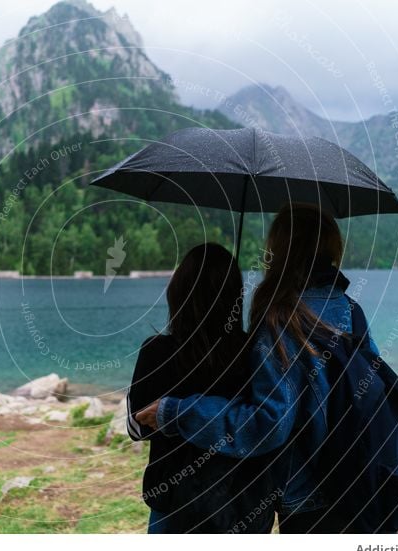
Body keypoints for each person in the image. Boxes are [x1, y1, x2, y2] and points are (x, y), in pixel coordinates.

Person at [136, 205, 381, 533]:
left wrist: (177, 412)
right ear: (331, 247)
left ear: (280, 249)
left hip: (304, 490)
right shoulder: (352, 310)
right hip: (355, 478)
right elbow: (372, 390)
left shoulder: (281, 320)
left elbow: (267, 425)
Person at [127, 242, 273, 534]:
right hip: (242, 504)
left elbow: (136, 428)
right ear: (235, 295)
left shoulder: (156, 352)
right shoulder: (253, 351)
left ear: (179, 292)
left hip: (173, 504)